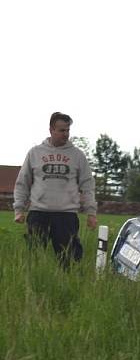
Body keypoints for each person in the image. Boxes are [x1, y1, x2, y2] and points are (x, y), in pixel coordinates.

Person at [13, 112, 97, 266]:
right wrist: (19, 209)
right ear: (51, 130)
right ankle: (35, 285)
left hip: (66, 215)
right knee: (35, 258)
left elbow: (87, 185)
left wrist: (91, 212)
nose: (65, 134)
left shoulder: (77, 155)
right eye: (61, 130)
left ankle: (67, 287)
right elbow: (22, 182)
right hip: (38, 213)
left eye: (68, 130)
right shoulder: (35, 153)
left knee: (69, 260)